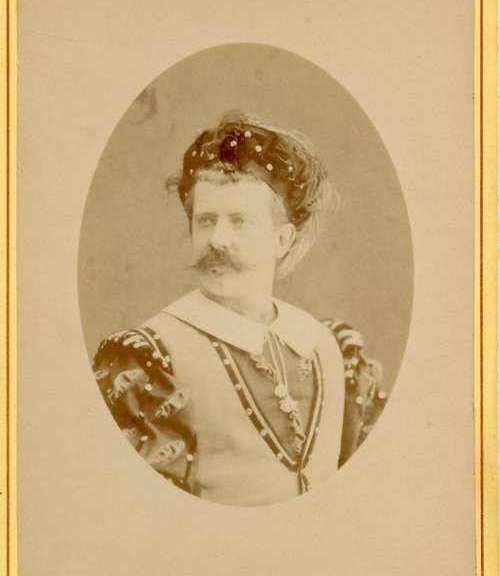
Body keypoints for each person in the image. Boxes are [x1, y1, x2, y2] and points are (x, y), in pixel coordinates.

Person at [93, 110, 386, 506]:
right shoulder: (149, 357)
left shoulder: (328, 346)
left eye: (239, 221)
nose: (217, 240)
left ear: (282, 239)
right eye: (205, 221)